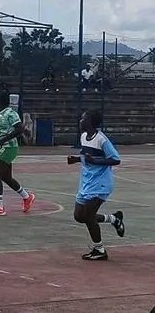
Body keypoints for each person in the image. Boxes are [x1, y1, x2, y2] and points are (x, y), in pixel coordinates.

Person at [67, 110, 125, 260]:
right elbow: (88, 156)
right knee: (79, 216)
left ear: (91, 122)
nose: (80, 121)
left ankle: (99, 250)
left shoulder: (101, 139)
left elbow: (115, 159)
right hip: (86, 183)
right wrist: (77, 159)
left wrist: (95, 162)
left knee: (88, 215)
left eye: (83, 118)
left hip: (100, 184)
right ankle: (113, 219)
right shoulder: (83, 137)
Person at [0, 91, 35, 216]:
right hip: (1, 146)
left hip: (9, 147)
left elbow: (20, 128)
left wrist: (3, 139)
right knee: (6, 177)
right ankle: (27, 196)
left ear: (1, 100)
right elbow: (1, 129)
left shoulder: (10, 113)